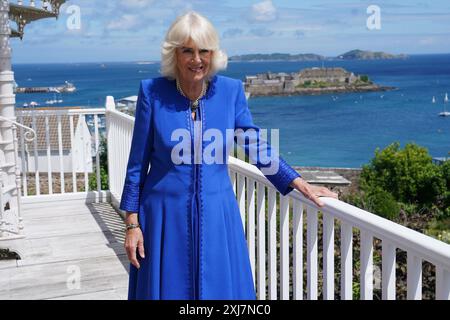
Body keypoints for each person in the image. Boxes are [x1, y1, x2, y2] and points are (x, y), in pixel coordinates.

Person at [120, 11, 338, 300]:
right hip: (161, 218)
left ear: (214, 54)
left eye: (204, 51)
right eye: (187, 50)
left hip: (217, 217)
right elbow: (137, 166)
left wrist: (297, 181)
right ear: (174, 54)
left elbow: (255, 146)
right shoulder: (152, 92)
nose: (196, 59)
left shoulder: (231, 91)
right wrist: (132, 225)